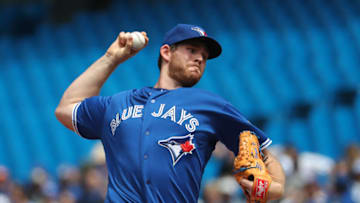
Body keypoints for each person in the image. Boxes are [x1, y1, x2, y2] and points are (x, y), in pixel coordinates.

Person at [55, 24, 285, 202]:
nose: (199, 58)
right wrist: (111, 58)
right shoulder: (118, 103)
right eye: (192, 50)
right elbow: (66, 108)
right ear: (166, 52)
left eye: (204, 57)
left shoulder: (210, 105)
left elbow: (264, 152)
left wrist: (273, 189)